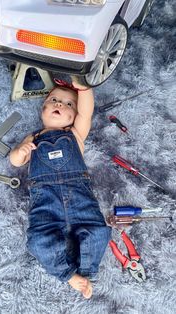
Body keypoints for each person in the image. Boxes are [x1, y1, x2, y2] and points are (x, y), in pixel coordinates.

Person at [10, 78, 111, 299]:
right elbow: (16, 161)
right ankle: (67, 274)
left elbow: (86, 112)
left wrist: (83, 88)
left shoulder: (75, 134)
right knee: (38, 241)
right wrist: (21, 150)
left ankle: (85, 272)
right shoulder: (33, 138)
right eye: (54, 100)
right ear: (43, 108)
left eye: (69, 104)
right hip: (45, 200)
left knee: (99, 233)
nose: (60, 104)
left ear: (74, 116)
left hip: (79, 195)